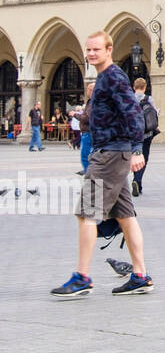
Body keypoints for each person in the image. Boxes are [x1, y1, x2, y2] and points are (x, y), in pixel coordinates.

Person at [50, 30, 152, 298]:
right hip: (111, 153)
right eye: (89, 49)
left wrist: (137, 149)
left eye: (97, 49)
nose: (92, 53)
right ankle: (140, 275)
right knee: (126, 216)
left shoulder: (114, 76)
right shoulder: (105, 77)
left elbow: (133, 113)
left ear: (109, 50)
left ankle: (82, 277)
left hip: (109, 155)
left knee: (87, 213)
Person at [131, 78, 158, 196]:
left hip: (131, 134)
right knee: (144, 158)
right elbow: (155, 114)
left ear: (134, 87)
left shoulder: (129, 99)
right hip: (146, 134)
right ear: (145, 87)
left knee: (134, 157)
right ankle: (137, 181)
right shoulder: (149, 99)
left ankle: (138, 183)